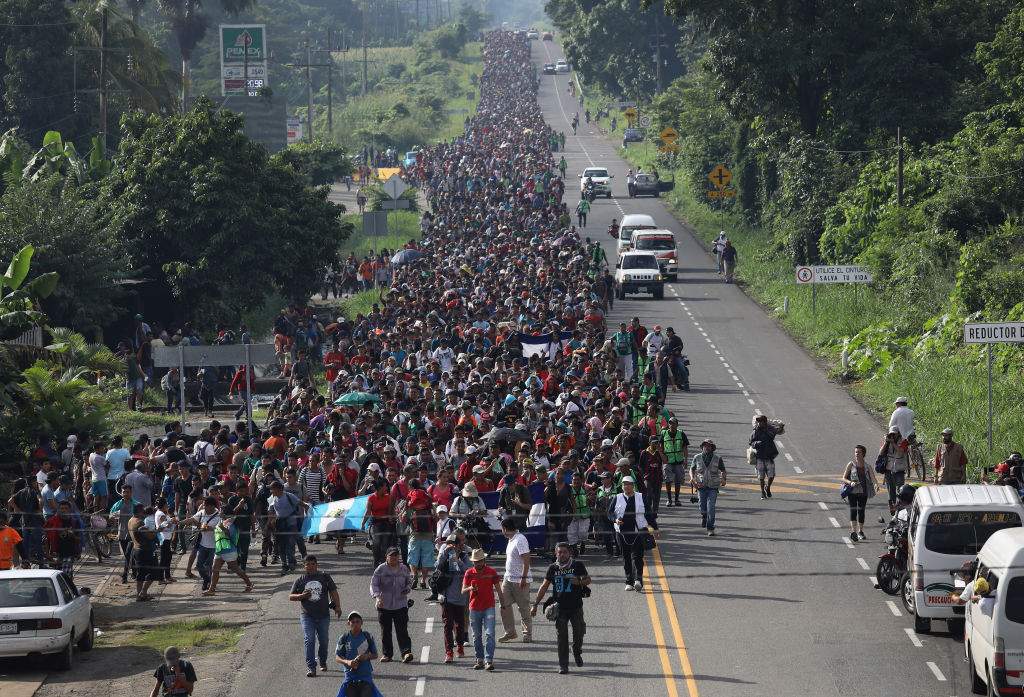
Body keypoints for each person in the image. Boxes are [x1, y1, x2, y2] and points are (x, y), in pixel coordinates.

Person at [531, 541, 591, 674]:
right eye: (560, 552)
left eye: (565, 552)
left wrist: (579, 581)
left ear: (569, 553)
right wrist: (535, 604)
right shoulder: (553, 568)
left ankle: (576, 651)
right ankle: (563, 665)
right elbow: (544, 586)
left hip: (576, 607)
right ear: (556, 553)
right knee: (562, 637)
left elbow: (588, 579)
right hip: (560, 608)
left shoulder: (577, 565)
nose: (562, 554)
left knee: (579, 633)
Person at [289, 555, 342, 677]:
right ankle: (311, 667)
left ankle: (322, 661)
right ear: (304, 566)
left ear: (316, 565)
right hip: (307, 616)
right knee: (309, 640)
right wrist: (301, 596)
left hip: (323, 615)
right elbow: (291, 596)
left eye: (313, 564)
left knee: (324, 641)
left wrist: (338, 607)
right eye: (308, 564)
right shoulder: (300, 580)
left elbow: (333, 592)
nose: (310, 566)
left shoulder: (325, 577)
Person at [462, 547, 506, 671]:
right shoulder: (469, 573)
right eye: (475, 561)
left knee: (490, 634)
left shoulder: (491, 572)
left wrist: (503, 606)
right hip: (474, 608)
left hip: (489, 607)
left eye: (480, 561)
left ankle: (488, 660)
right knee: (476, 636)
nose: (478, 563)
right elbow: (462, 591)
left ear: (484, 560)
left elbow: (499, 590)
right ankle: (479, 660)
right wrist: (470, 589)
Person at [612, 476, 658, 591]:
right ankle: (629, 582)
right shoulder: (617, 498)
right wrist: (615, 520)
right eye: (624, 484)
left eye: (628, 484)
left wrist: (655, 528)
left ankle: (638, 580)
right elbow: (609, 513)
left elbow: (648, 514)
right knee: (627, 558)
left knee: (637, 557)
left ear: (633, 485)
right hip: (622, 533)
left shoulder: (640, 497)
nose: (626, 486)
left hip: (638, 532)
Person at [369, 547, 413, 663]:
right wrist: (377, 597)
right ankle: (387, 654)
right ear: (386, 557)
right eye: (391, 555)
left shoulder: (404, 569)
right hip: (384, 605)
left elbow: (409, 582)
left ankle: (406, 652)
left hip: (401, 605)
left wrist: (408, 589)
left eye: (395, 555)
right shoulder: (381, 569)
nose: (394, 558)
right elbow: (374, 585)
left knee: (402, 630)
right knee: (386, 631)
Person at [435, 534, 472, 662]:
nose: (450, 545)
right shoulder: (444, 554)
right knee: (447, 624)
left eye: (453, 543)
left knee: (459, 624)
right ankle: (449, 652)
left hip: (460, 597)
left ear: (458, 545)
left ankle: (460, 647)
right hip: (446, 597)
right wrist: (445, 553)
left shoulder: (463, 556)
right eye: (448, 543)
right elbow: (437, 567)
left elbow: (470, 571)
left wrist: (458, 561)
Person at [498, 517, 533, 644]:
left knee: (523, 607)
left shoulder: (520, 540)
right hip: (508, 579)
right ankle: (510, 632)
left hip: (520, 580)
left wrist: (523, 577)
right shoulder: (511, 539)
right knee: (503, 604)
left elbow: (526, 559)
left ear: (505, 529)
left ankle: (527, 634)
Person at [202, 516, 254, 596]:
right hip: (220, 549)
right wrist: (210, 528)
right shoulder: (222, 521)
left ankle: (249, 584)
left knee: (236, 569)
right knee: (215, 570)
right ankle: (211, 590)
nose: (220, 511)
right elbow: (218, 531)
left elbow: (230, 534)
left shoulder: (230, 524)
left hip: (228, 550)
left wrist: (222, 528)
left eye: (221, 509)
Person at [335, 611, 382, 697]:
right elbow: (337, 657)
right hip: (350, 678)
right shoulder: (344, 638)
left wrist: (367, 656)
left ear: (361, 623)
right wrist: (347, 662)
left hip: (365, 677)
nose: (355, 624)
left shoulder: (368, 637)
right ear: (349, 624)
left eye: (357, 621)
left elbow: (375, 655)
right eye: (353, 622)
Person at [841, 445, 879, 541]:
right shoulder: (851, 464)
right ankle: (854, 532)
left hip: (863, 493)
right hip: (852, 492)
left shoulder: (868, 467)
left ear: (863, 454)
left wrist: (875, 485)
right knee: (853, 511)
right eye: (856, 452)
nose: (857, 454)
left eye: (859, 452)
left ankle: (860, 531)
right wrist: (850, 482)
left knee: (861, 512)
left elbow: (873, 478)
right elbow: (843, 478)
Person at [690, 439, 726, 536]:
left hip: (713, 487)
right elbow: (692, 469)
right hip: (701, 486)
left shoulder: (717, 458)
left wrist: (723, 478)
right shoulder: (696, 457)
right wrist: (692, 478)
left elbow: (723, 470)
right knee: (702, 506)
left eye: (709, 446)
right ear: (702, 447)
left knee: (711, 507)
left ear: (712, 448)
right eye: (705, 445)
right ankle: (704, 516)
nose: (707, 447)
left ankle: (710, 528)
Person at [879, 427, 908, 513]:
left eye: (894, 434)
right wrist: (886, 442)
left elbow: (900, 452)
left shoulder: (903, 441)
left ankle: (900, 509)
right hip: (888, 470)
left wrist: (893, 443)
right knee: (891, 491)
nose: (893, 436)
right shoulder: (887, 441)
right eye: (891, 434)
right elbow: (880, 453)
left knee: (900, 491)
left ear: (898, 434)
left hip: (899, 470)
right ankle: (892, 508)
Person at [749, 415, 779, 499]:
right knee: (761, 477)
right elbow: (750, 442)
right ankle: (762, 492)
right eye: (758, 422)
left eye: (761, 421)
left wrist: (764, 430)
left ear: (765, 422)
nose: (759, 423)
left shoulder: (771, 429)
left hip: (769, 456)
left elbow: (771, 436)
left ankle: (768, 487)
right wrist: (756, 443)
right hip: (759, 457)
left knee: (771, 475)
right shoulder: (755, 431)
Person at [662, 418, 690, 506]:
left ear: (677, 425)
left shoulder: (681, 434)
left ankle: (677, 499)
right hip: (667, 461)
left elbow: (685, 448)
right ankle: (669, 499)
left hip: (678, 461)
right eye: (670, 424)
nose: (671, 425)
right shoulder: (664, 433)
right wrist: (662, 457)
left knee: (678, 481)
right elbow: (660, 446)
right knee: (668, 480)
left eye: (673, 424)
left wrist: (685, 460)